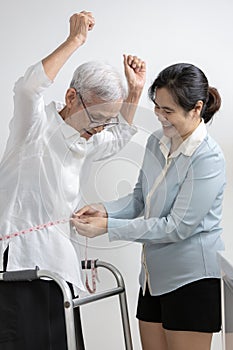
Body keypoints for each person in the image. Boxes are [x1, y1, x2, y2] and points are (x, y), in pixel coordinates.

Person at [0, 11, 146, 350]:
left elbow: (120, 135)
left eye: (105, 122)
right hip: (19, 265)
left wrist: (135, 92)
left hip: (56, 269)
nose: (99, 129)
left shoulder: (86, 140)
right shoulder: (35, 127)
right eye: (96, 117)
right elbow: (27, 87)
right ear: (70, 99)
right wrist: (75, 41)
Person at [72, 62, 226, 350]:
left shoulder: (208, 159)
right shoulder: (157, 141)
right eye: (157, 107)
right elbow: (139, 198)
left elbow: (177, 227)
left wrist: (109, 227)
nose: (160, 118)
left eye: (168, 111)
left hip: (191, 280)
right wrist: (105, 210)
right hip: (152, 280)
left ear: (196, 109)